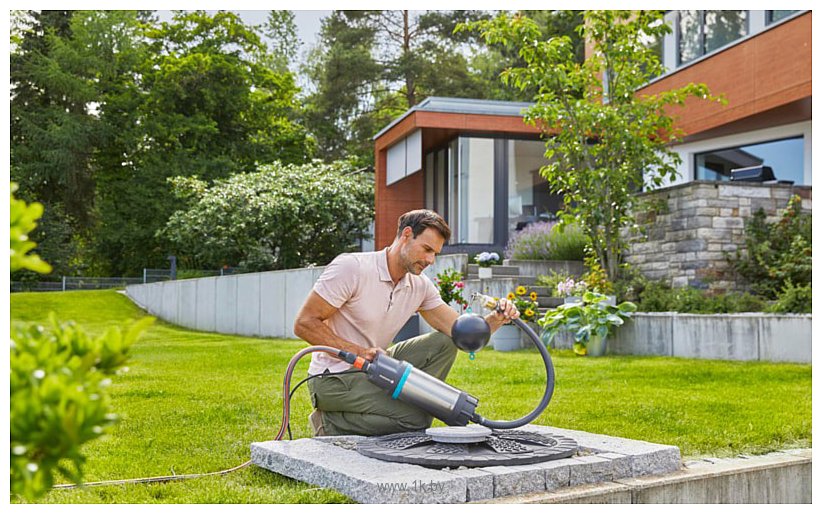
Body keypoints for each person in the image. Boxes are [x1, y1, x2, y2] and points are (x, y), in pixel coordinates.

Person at [293, 209, 520, 436]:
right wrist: (358, 352)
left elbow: (459, 331)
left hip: (377, 365)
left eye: (435, 254)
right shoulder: (353, 268)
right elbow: (304, 323)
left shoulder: (419, 285)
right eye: (427, 249)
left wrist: (495, 319)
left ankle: (416, 403)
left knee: (447, 340)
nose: (431, 260)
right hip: (332, 379)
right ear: (406, 235)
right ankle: (330, 423)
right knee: (415, 420)